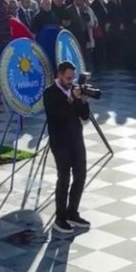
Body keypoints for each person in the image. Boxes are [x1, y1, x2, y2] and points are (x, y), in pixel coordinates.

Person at [43, 61, 92, 234]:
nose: (71, 81)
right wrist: (70, 99)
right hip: (60, 141)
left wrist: (83, 100)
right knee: (64, 178)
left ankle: (73, 212)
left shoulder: (75, 89)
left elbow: (84, 116)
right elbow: (56, 117)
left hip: (76, 139)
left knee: (80, 175)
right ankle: (60, 218)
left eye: (73, 78)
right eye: (68, 78)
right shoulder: (50, 93)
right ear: (60, 75)